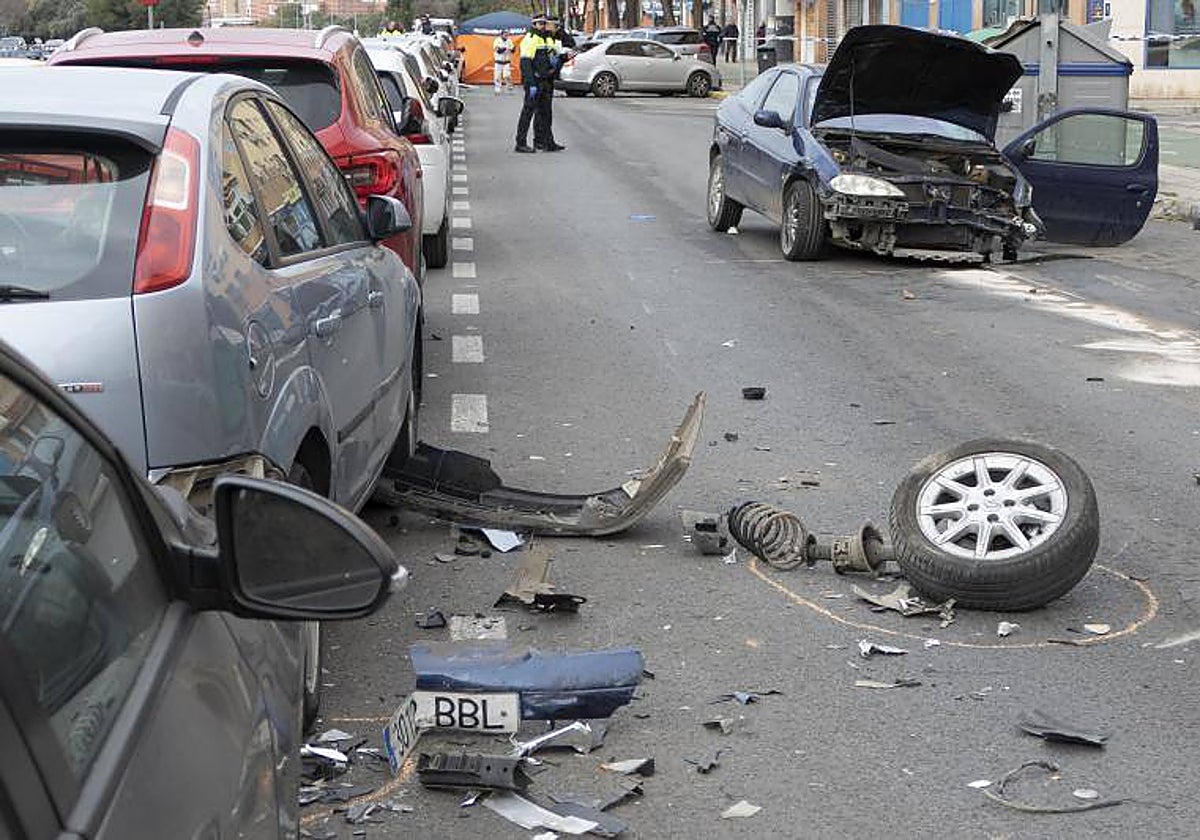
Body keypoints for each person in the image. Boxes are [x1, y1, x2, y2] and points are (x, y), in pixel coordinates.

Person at [515, 15, 561, 153]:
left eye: (544, 23)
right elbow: (525, 63)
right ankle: (520, 143)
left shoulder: (546, 38)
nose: (543, 26)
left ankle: (546, 142)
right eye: (540, 23)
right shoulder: (530, 39)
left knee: (546, 114)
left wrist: (557, 58)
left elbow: (554, 54)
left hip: (545, 80)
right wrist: (531, 83)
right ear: (534, 24)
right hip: (534, 82)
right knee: (527, 113)